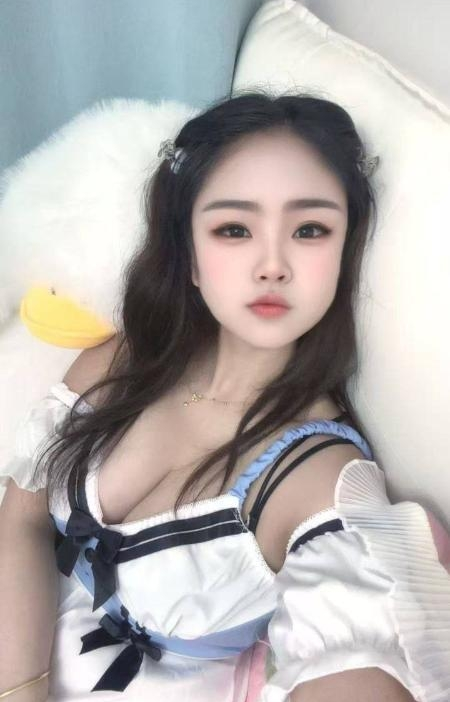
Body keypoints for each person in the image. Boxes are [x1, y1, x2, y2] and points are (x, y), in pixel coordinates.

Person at [0, 90, 445, 702]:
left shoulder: (317, 477)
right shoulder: (119, 362)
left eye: (310, 230)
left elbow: (361, 644)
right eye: (234, 229)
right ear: (189, 257)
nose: (272, 265)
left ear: (344, 254)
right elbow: (21, 518)